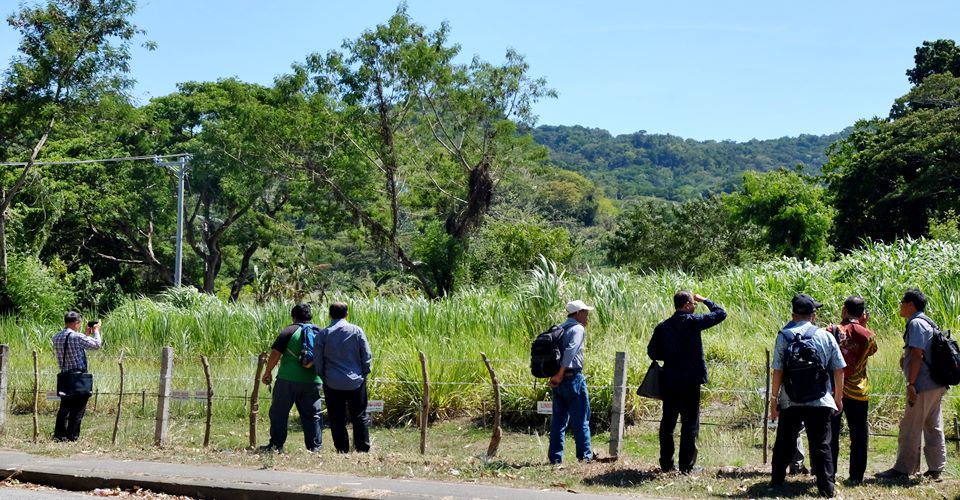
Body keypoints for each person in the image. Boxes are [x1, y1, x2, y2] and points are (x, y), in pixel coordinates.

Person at [770, 294, 845, 498]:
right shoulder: (825, 336)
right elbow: (839, 369)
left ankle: (776, 482)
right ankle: (826, 488)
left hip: (790, 399)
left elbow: (777, 370)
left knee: (785, 441)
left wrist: (774, 400)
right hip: (820, 399)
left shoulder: (784, 336)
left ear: (793, 315)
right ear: (813, 315)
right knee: (821, 444)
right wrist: (838, 398)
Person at [647, 291, 727, 474]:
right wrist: (705, 299)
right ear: (687, 305)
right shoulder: (692, 322)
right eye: (693, 304)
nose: (694, 306)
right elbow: (721, 313)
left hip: (669, 380)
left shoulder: (663, 327)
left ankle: (666, 464)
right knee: (690, 424)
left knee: (668, 423)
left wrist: (669, 356)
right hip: (690, 382)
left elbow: (652, 352)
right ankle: (686, 466)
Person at [876, 288, 947, 480]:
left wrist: (911, 383)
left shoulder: (915, 323)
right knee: (933, 425)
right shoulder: (928, 321)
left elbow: (917, 354)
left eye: (902, 302)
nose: (900, 305)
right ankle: (935, 468)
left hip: (922, 385)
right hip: (937, 383)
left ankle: (902, 470)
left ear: (910, 305)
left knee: (910, 427)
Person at [826, 295, 877, 484]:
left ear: (844, 310)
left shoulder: (831, 331)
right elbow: (872, 350)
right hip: (858, 391)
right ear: (862, 313)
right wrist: (863, 325)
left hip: (834, 390)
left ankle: (829, 473)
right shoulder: (869, 335)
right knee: (859, 436)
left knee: (831, 435)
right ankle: (856, 476)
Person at [259, 303, 323, 453]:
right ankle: (314, 448)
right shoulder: (320, 332)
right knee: (313, 415)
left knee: (279, 413)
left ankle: (276, 445)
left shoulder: (289, 330)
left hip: (287, 380)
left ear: (294, 317)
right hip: (313, 380)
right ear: (310, 316)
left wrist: (267, 372)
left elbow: (276, 353)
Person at [314, 302, 373, 453]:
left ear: (329, 315)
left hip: (332, 382)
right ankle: (363, 448)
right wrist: (364, 373)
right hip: (355, 381)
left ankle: (342, 449)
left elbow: (318, 360)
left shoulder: (323, 334)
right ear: (347, 314)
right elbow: (366, 355)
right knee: (360, 416)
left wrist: (323, 376)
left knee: (336, 418)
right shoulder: (357, 331)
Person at [548, 300, 594, 464]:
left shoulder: (560, 328)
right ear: (578, 313)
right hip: (572, 378)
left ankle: (555, 458)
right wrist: (560, 374)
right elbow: (570, 352)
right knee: (581, 419)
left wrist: (555, 376)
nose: (587, 317)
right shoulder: (577, 329)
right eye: (586, 313)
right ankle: (585, 457)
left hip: (558, 381)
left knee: (558, 421)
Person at [52, 311, 102, 442]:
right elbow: (97, 344)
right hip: (78, 377)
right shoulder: (77, 337)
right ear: (76, 323)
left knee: (64, 407)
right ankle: (72, 436)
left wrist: (86, 335)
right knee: (78, 408)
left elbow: (73, 350)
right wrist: (96, 331)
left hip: (65, 376)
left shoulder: (56, 337)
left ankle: (59, 435)